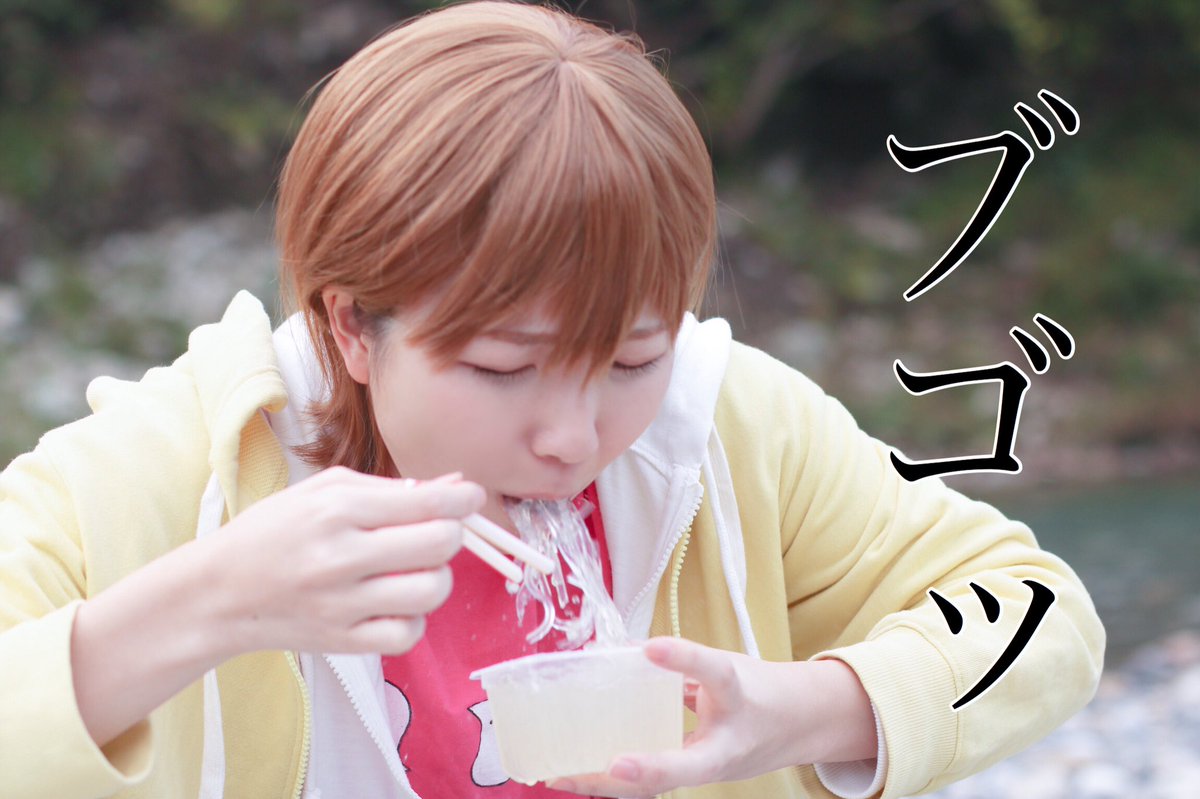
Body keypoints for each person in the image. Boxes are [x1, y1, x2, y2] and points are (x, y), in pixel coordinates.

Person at [0, 2, 1104, 798]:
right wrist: (210, 602)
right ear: (351, 326)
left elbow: (1037, 614)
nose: (573, 437)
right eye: (501, 367)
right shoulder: (172, 466)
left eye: (630, 361)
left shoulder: (723, 428)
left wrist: (802, 712)